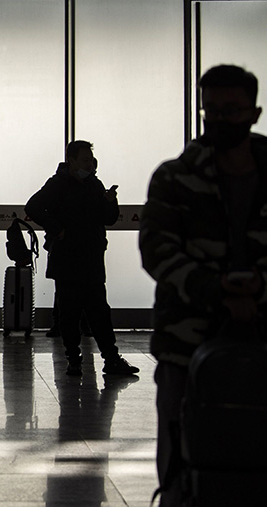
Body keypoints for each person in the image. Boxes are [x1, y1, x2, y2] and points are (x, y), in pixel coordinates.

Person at [140, 64, 265, 506]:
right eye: (210, 110)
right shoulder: (175, 178)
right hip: (185, 345)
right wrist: (221, 292)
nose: (219, 121)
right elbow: (158, 252)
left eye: (231, 110)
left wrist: (257, 292)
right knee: (181, 463)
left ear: (255, 112)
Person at [25, 140, 138, 376]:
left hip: (92, 257)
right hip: (67, 258)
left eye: (91, 159)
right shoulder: (58, 184)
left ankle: (111, 358)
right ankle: (73, 359)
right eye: (85, 159)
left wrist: (110, 202)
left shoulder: (94, 184)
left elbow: (108, 219)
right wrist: (56, 228)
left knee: (100, 311)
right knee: (70, 312)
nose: (89, 163)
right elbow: (33, 206)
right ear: (72, 160)